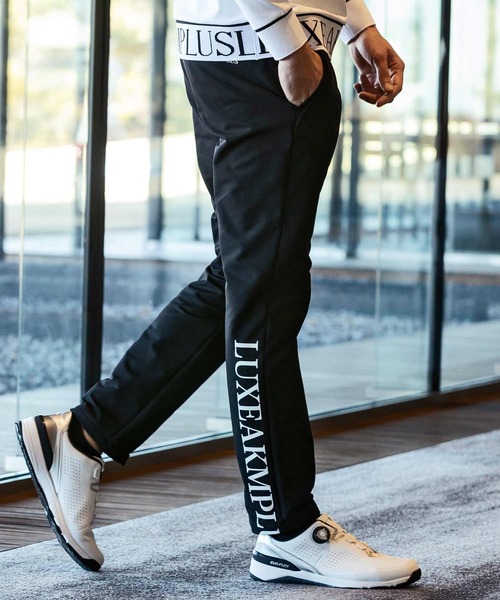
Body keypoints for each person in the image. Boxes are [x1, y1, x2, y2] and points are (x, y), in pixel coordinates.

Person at [16, 0, 421, 589]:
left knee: (245, 280)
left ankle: (82, 435)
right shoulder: (277, 47)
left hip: (262, 50)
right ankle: (287, 527)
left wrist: (357, 22)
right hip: (265, 55)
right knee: (265, 299)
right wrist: (287, 41)